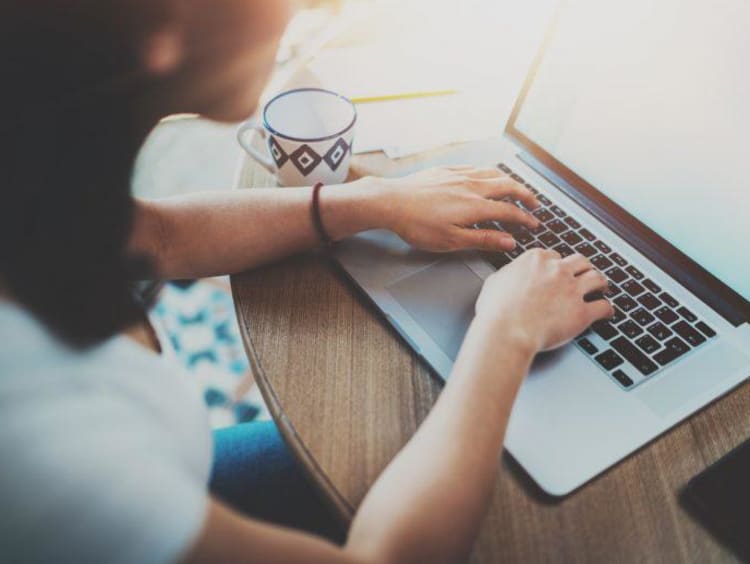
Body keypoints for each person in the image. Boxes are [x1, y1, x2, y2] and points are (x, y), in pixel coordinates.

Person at [0, 1, 613, 563]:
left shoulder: (30, 167)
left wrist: (374, 200)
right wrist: (507, 332)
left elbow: (158, 237)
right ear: (164, 27)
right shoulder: (49, 451)